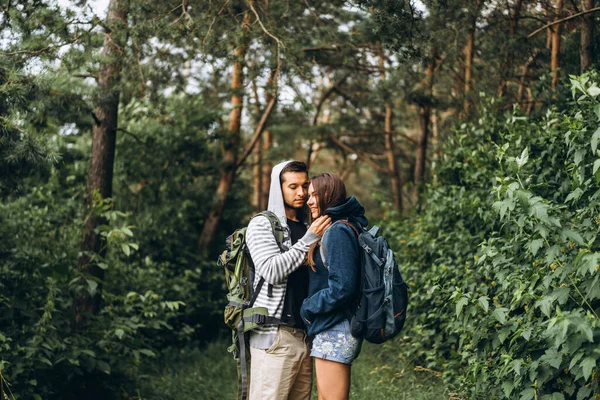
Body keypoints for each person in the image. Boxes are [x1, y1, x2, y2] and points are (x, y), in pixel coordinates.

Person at [246, 160, 332, 400]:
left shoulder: (307, 225)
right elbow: (272, 271)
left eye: (305, 185)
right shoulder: (262, 224)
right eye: (293, 186)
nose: (302, 193)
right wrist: (309, 239)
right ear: (278, 188)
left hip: (304, 336)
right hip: (275, 336)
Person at [300, 173, 367, 400]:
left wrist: (309, 306)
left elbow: (343, 287)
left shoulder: (338, 231)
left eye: (314, 195)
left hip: (336, 328)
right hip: (331, 327)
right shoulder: (337, 228)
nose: (308, 201)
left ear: (328, 195)